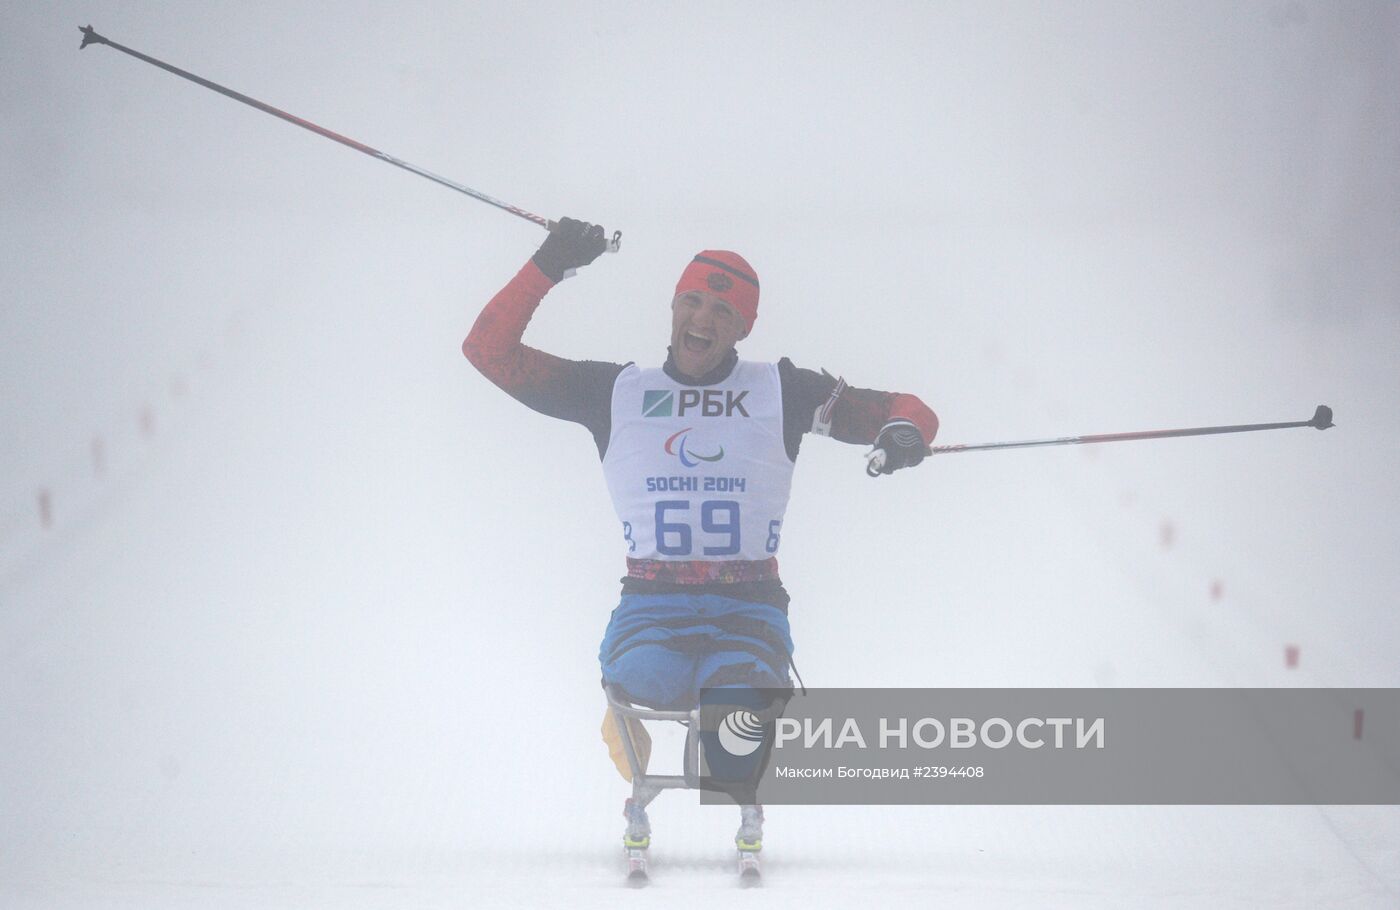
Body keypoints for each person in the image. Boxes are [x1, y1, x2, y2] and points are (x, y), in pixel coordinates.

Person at [462, 217, 938, 868]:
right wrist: (550, 261)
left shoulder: (783, 391)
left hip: (750, 611)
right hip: (650, 608)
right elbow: (487, 350)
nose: (704, 320)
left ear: (744, 326)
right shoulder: (618, 392)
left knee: (731, 721)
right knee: (638, 684)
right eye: (693, 301)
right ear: (674, 306)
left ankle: (739, 776)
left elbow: (908, 409)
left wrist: (905, 433)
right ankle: (639, 775)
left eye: (723, 309)